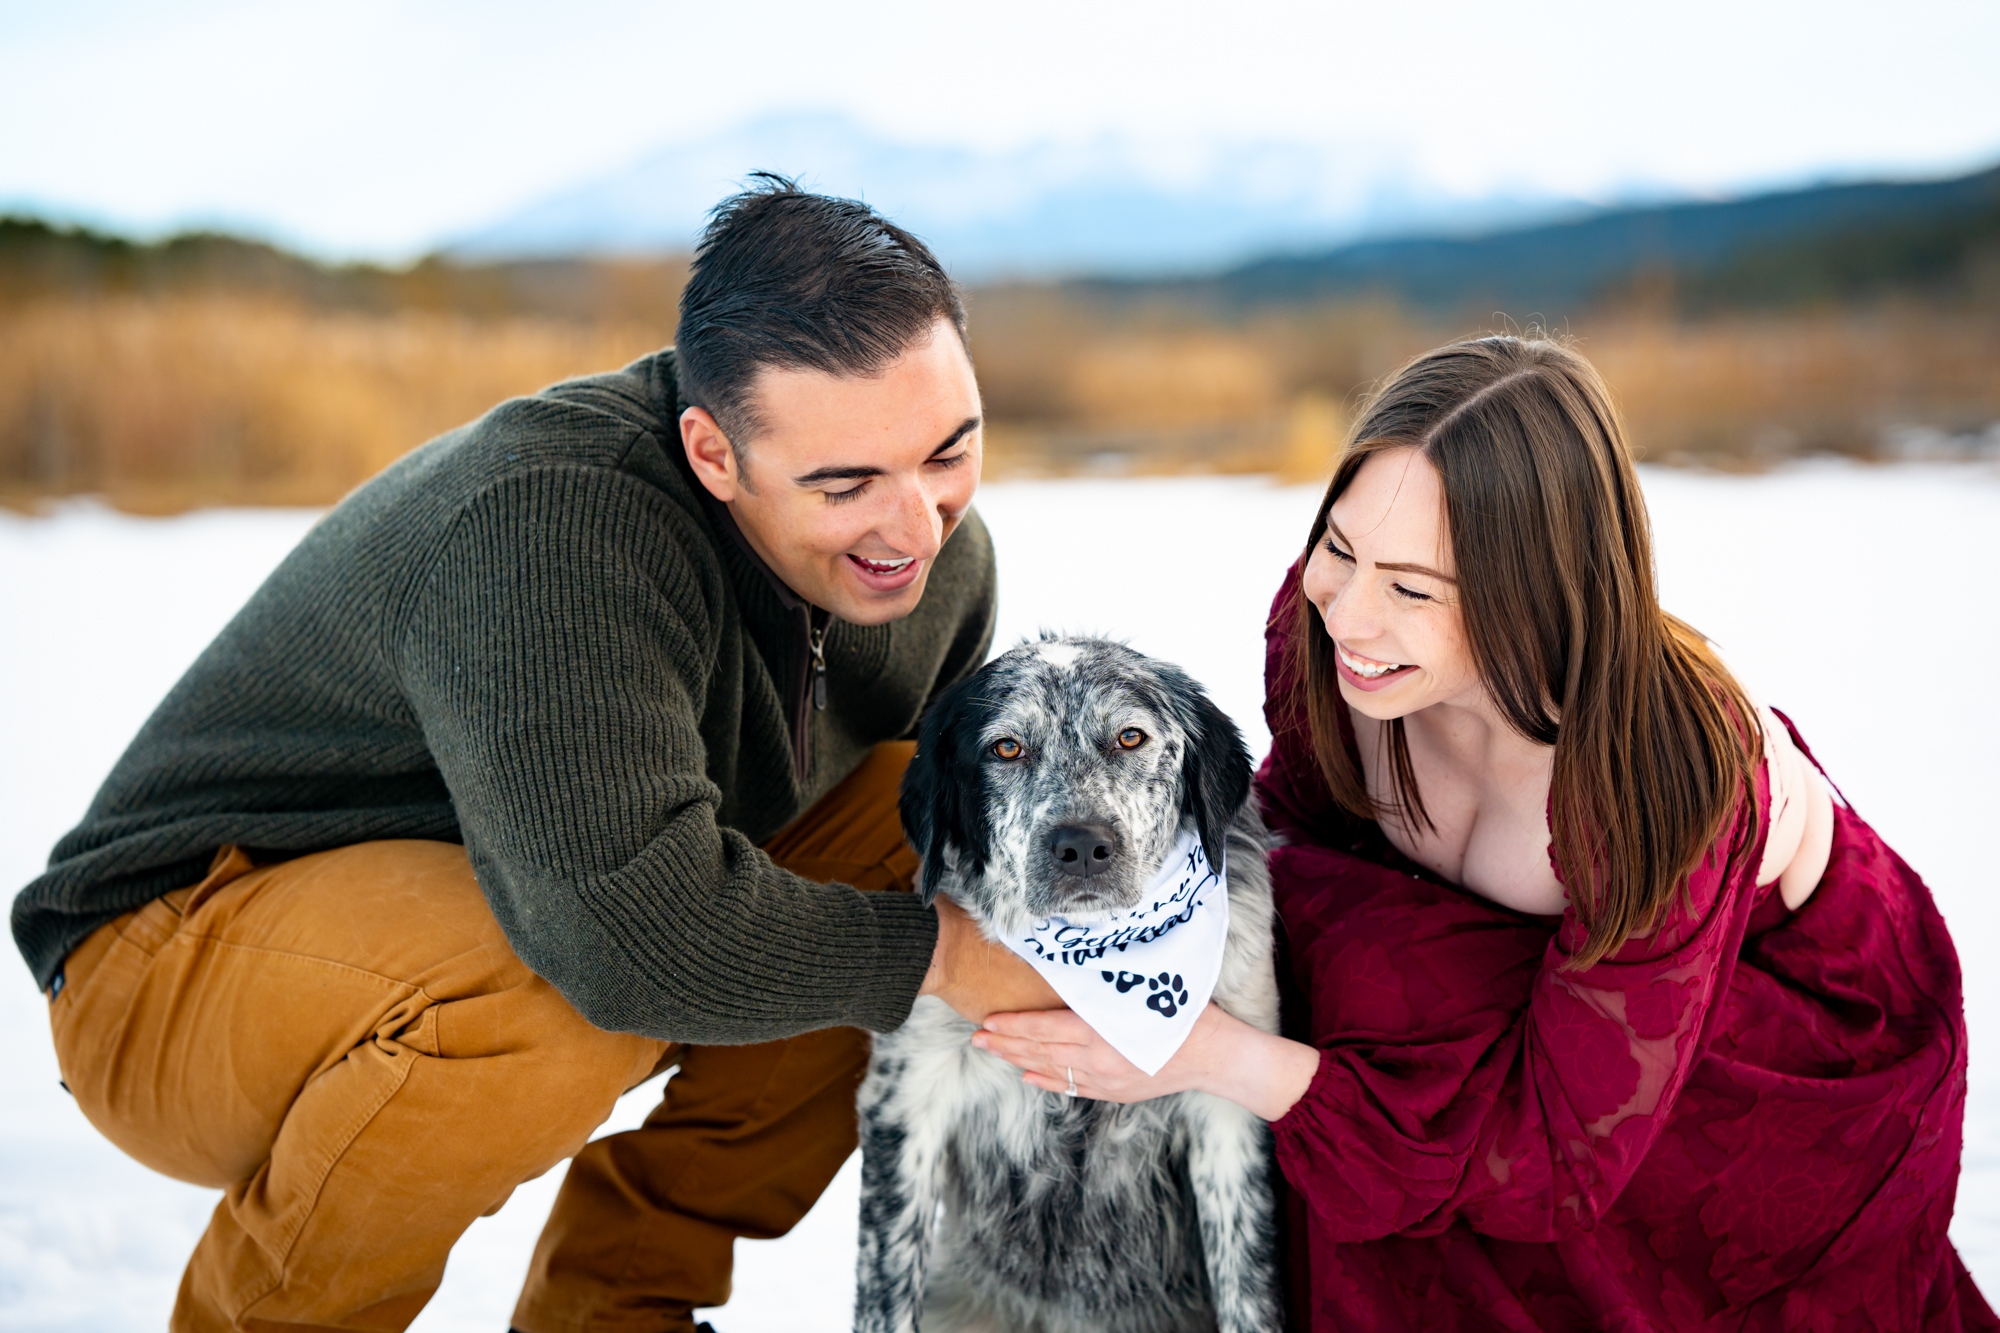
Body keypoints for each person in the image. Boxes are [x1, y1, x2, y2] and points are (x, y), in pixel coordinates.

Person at [14, 177, 1053, 1333]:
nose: (913, 524)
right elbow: (623, 937)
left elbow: (944, 877)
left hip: (504, 913)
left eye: (947, 452)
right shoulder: (554, 528)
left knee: (913, 842)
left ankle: (612, 1312)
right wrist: (952, 957)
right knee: (556, 978)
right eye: (844, 483)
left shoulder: (933, 567)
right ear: (713, 454)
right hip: (167, 963)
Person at [976, 335, 1995, 1329]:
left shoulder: (1657, 779)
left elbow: (1553, 1158)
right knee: (1347, 968)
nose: (1351, 614)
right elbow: (1293, 849)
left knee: (1385, 1027)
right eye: (1339, 545)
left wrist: (1210, 1055)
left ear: (1533, 601)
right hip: (1534, 986)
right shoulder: (1328, 632)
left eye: (1412, 588)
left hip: (1755, 1025)